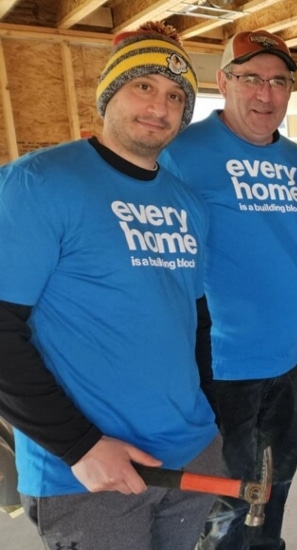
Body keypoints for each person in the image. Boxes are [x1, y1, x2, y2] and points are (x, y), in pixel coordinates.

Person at [0, 22, 223, 550]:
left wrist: (210, 420)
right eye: (142, 85)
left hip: (192, 452)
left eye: (175, 96)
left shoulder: (188, 204)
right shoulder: (40, 183)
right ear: (109, 92)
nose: (159, 106)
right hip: (87, 475)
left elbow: (195, 321)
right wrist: (79, 448)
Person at [158, 29, 297, 550]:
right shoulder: (181, 156)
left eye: (278, 82)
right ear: (224, 82)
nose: (265, 94)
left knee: (277, 482)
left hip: (288, 360)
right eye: (251, 79)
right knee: (221, 498)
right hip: (218, 364)